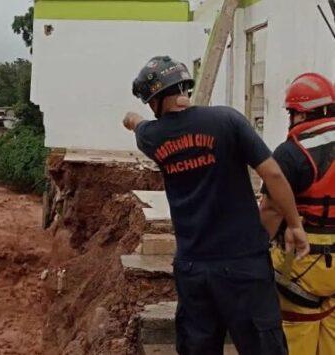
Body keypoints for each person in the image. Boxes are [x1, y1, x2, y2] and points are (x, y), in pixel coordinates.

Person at [123, 55, 309, 355]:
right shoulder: (227, 120)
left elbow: (136, 123)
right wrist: (295, 225)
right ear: (184, 88)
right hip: (244, 265)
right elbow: (273, 174)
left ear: (155, 100)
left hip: (194, 269)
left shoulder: (153, 137)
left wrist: (130, 118)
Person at [260, 73, 335, 355]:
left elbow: (270, 209)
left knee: (295, 333)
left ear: (299, 114)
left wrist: (256, 249)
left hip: (301, 263)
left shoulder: (291, 153)